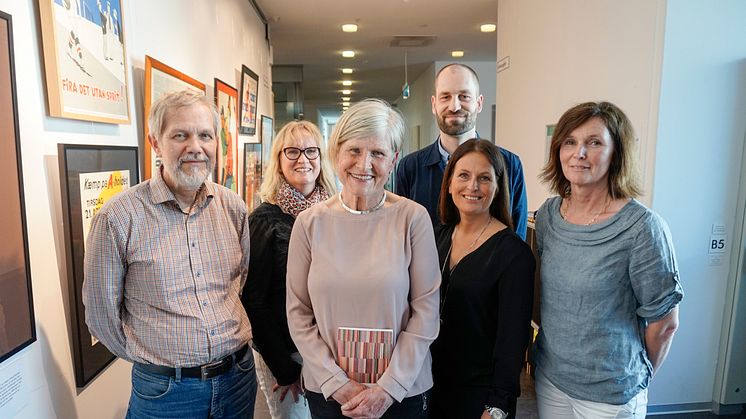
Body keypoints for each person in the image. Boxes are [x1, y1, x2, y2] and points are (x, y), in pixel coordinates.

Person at [83, 90, 257, 418]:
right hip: (167, 395)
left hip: (238, 378)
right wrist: (156, 361)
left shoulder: (233, 207)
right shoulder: (118, 218)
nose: (195, 146)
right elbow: (101, 315)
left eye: (205, 135)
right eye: (180, 135)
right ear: (155, 143)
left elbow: (239, 281)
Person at [286, 99, 440, 419]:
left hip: (402, 391)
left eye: (378, 153)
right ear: (337, 153)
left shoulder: (413, 219)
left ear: (394, 159)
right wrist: (337, 383)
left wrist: (387, 388)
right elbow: (298, 314)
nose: (364, 163)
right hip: (329, 391)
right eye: (354, 150)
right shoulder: (309, 223)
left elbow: (426, 312)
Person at [534, 101, 683, 418]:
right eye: (570, 142)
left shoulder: (643, 228)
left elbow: (665, 323)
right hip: (551, 380)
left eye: (595, 142)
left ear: (617, 153)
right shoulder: (548, 216)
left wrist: (635, 382)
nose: (579, 153)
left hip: (610, 395)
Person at [430, 139, 535, 419]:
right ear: (450, 182)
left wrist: (497, 406)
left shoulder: (514, 253)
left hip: (480, 398)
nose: (472, 186)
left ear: (498, 186)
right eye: (463, 175)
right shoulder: (437, 236)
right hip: (431, 388)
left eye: (484, 178)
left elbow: (512, 341)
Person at [243, 120, 336, 419]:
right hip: (285, 353)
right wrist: (284, 369)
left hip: (331, 353)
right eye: (292, 151)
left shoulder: (337, 214)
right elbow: (253, 300)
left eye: (311, 151)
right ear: (279, 160)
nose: (303, 159)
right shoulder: (264, 219)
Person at [395, 63, 528, 239]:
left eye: (464, 96)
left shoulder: (509, 164)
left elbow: (517, 240)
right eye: (445, 97)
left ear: (479, 103)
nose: (454, 106)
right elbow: (401, 236)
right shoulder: (410, 167)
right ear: (434, 104)